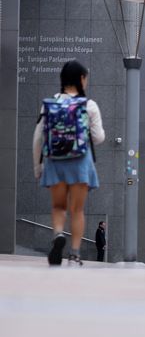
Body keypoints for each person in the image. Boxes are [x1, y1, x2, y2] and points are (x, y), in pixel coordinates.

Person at [32, 60, 106, 267]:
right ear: (81, 79)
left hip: (55, 161)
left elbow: (38, 137)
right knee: (77, 209)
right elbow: (98, 137)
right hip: (81, 163)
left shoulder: (50, 103)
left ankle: (57, 235)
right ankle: (74, 253)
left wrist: (38, 167)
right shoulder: (88, 105)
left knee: (58, 206)